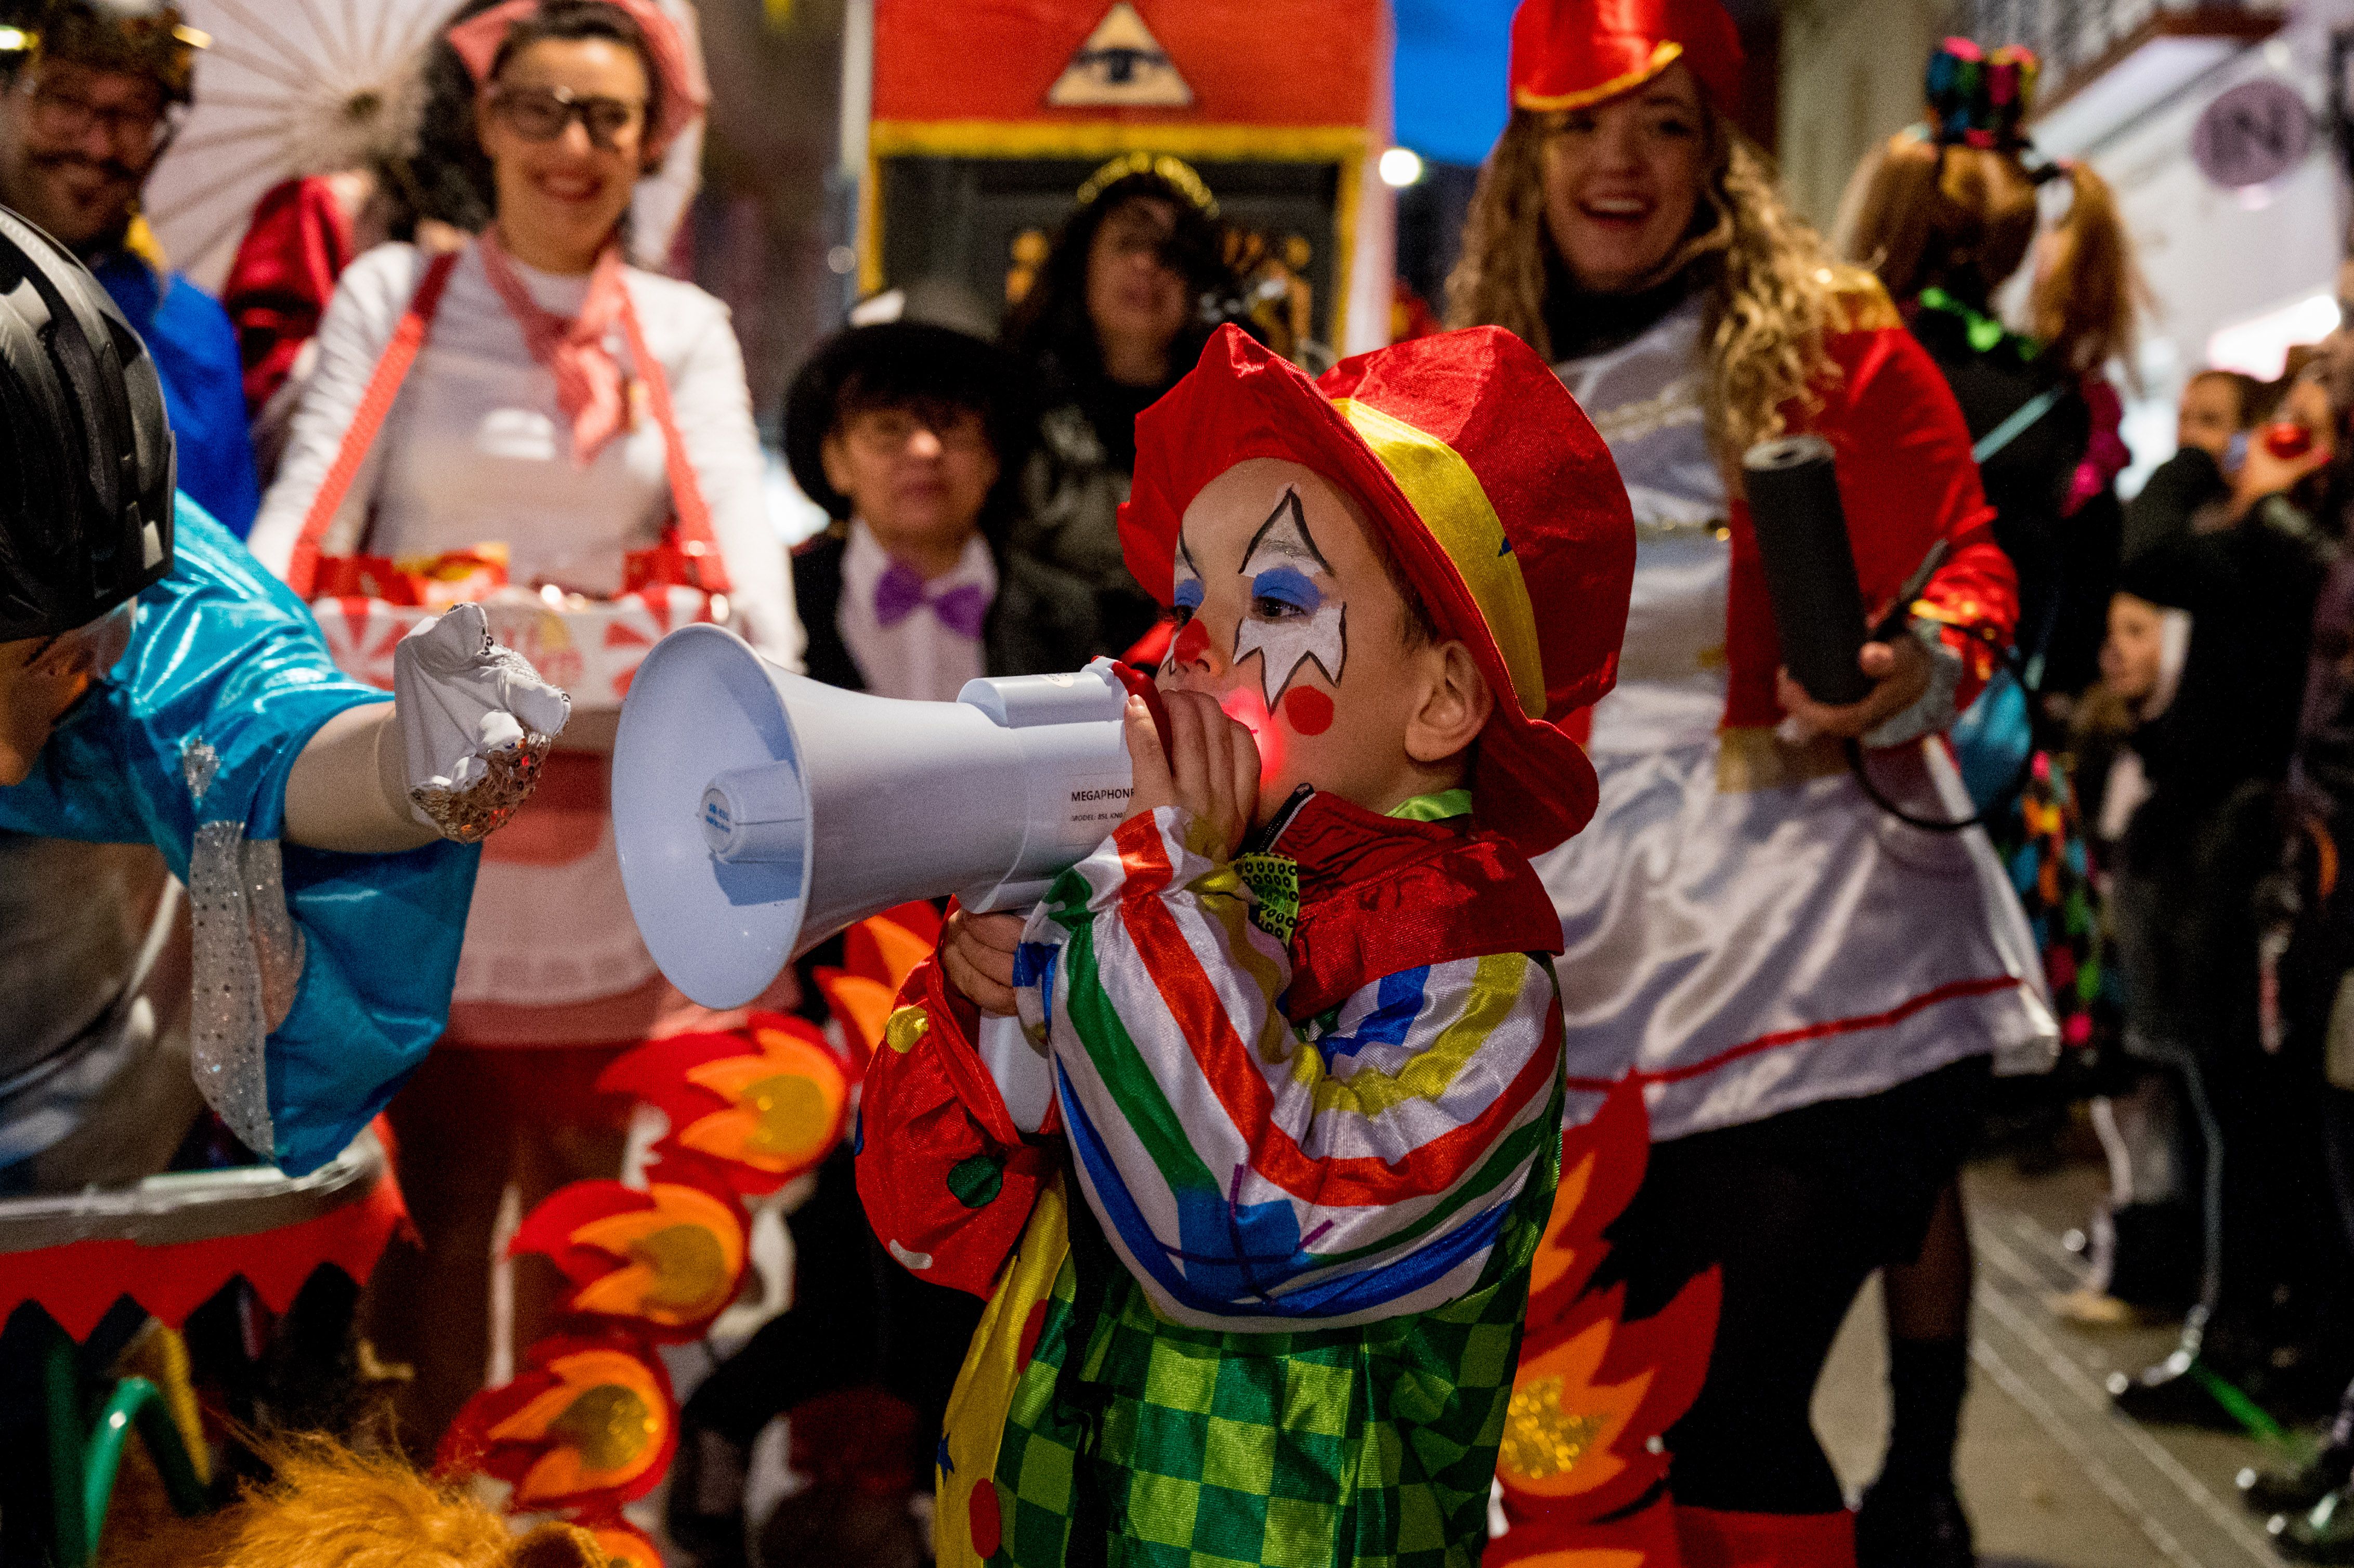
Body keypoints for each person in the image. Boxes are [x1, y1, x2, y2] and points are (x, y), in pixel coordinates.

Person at [855, 322, 1633, 1568]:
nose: (1190, 648)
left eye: (1272, 599)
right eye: (1183, 604)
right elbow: (923, 1218)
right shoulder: (1175, 897)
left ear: (1439, 700)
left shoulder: (1472, 977)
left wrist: (1151, 893)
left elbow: (1242, 1232)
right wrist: (977, 997)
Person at [1448, 3, 2050, 1563]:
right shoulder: (1463, 384)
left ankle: (1899, 1485)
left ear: (1715, 147)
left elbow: (1969, 568)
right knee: (1581, 1406)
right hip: (1563, 947)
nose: (1622, 162)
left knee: (1731, 1400)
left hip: (1809, 920)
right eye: (1583, 126)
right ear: (1526, 158)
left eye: (1659, 122)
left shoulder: (1829, 334)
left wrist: (1906, 667)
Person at [244, 0, 794, 1451]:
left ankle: (573, 1513)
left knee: (591, 1206)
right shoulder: (391, 299)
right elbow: (303, 522)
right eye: (540, 109)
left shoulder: (682, 329)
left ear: (651, 139)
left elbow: (745, 564)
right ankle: (413, 1515)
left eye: (607, 118)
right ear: (484, 123)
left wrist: (754, 680)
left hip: (608, 835)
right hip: (415, 827)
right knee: (423, 1204)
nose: (573, 146)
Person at [0, 210, 567, 1562]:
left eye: (56, 662)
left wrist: (421, 761)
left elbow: (271, 734)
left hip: (45, 1151)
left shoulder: (130, 581)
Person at [664, 316, 1105, 1568]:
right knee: (839, 1268)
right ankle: (790, 1459)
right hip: (810, 1009)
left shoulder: (1076, 615)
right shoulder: (770, 613)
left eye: (953, 425)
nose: (922, 449)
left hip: (1019, 1006)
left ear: (993, 456)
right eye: (885, 425)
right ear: (834, 458)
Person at [1833, 38, 2143, 1560]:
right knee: (1925, 1146)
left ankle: (1727, 1445)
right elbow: (2077, 633)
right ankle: (1920, 1484)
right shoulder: (2060, 404)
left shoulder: (1833, 369)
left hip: (1808, 789)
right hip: (1987, 800)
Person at [0, 0, 259, 535]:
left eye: (132, 113)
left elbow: (232, 578)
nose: (98, 144)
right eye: (65, 99)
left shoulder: (192, 330)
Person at [1003, 152, 1246, 652]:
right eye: (1128, 244)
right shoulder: (1011, 401)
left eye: (1170, 253)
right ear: (1083, 262)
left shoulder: (1236, 417)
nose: (1146, 265)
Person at [2124, 368, 2267, 561]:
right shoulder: (2173, 494)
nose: (2189, 434)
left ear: (2248, 433)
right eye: (2183, 418)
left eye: (2209, 421)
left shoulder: (2261, 518)